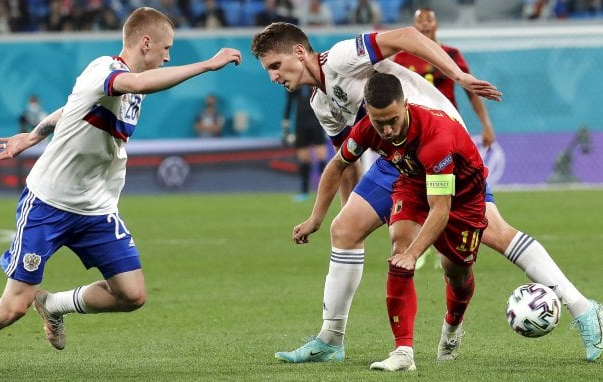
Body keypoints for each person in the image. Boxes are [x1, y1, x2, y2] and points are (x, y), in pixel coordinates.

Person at [250, 22, 602, 365]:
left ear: (299, 52)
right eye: (269, 70)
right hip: (397, 160)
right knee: (343, 230)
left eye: (276, 66)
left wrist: (458, 76)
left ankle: (584, 309)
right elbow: (347, 161)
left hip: (440, 145)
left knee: (494, 235)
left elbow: (406, 36)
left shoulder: (342, 57)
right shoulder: (321, 105)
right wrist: (347, 213)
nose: (273, 76)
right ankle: (331, 339)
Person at [0, 7, 241, 380]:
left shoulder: (121, 82)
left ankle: (54, 305)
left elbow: (73, 106)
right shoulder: (106, 70)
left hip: (96, 208)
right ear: (145, 43)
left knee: (132, 294)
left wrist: (34, 134)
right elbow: (135, 85)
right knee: (12, 307)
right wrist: (207, 64)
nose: (168, 56)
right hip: (49, 203)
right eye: (166, 48)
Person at [307, 72, 489, 371]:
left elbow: (440, 210)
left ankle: (453, 326)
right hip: (412, 183)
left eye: (393, 119)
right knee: (398, 250)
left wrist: (414, 254)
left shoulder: (437, 136)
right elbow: (338, 164)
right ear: (368, 110)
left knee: (455, 271)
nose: (388, 129)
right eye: (380, 122)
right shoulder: (368, 128)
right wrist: (316, 217)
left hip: (464, 197)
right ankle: (403, 352)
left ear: (406, 104)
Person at [393, 7, 496, 269]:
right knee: (423, 191)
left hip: (451, 132)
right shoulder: (401, 59)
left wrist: (485, 124)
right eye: (420, 21)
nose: (425, 24)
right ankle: (422, 245)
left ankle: (454, 244)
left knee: (456, 190)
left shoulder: (450, 55)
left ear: (436, 25)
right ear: (414, 26)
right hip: (417, 136)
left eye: (429, 19)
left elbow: (471, 90)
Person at [282, 85, 328, 201]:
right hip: (301, 122)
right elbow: (289, 102)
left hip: (316, 121)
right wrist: (286, 126)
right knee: (303, 157)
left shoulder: (314, 80)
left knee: (321, 156)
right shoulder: (293, 82)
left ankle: (325, 190)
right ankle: (304, 191)